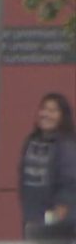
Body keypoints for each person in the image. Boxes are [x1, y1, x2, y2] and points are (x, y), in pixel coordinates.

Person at [18, 92, 76, 226]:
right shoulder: (30, 141)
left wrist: (61, 209)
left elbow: (71, 181)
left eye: (52, 110)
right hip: (32, 217)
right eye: (44, 109)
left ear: (62, 116)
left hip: (60, 221)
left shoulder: (67, 145)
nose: (46, 114)